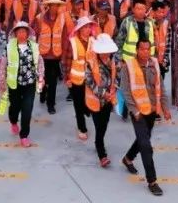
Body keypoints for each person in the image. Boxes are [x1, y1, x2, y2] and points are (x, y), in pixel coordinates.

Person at [120, 38, 172, 197]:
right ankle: (152, 181)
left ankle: (128, 158)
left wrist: (165, 107)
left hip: (152, 110)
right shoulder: (128, 66)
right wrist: (134, 111)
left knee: (143, 139)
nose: (145, 52)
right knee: (146, 146)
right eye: (142, 49)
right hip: (137, 112)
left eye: (148, 49)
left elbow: (160, 87)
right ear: (137, 50)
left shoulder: (154, 63)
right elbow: (126, 91)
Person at [0, 21, 45, 147]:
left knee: (27, 110)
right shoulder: (9, 47)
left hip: (30, 83)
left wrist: (41, 76)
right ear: (15, 33)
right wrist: (2, 81)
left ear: (27, 33)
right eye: (19, 32)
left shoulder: (34, 46)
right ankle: (13, 121)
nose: (21, 34)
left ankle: (24, 135)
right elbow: (3, 65)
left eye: (24, 31)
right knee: (15, 107)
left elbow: (40, 63)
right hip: (14, 84)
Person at [85, 33, 120, 168]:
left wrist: (114, 89)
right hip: (95, 100)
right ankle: (102, 154)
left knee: (104, 124)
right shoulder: (91, 62)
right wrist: (104, 93)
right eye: (104, 52)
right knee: (99, 126)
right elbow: (89, 81)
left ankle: (98, 142)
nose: (106, 54)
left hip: (108, 101)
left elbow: (117, 77)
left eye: (108, 52)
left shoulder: (113, 61)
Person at [65, 15, 98, 138]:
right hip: (76, 79)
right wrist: (67, 78)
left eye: (89, 27)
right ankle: (82, 128)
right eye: (85, 27)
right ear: (79, 29)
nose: (87, 29)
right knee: (78, 104)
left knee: (88, 101)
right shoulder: (72, 42)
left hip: (90, 79)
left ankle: (86, 109)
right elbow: (67, 61)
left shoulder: (93, 41)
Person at [36, 0, 68, 114]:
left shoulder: (62, 19)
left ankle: (51, 104)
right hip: (43, 54)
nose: (54, 7)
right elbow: (35, 35)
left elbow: (64, 38)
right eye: (52, 5)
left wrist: (63, 55)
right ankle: (43, 92)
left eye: (56, 5)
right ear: (48, 6)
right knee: (43, 77)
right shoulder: (39, 18)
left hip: (55, 54)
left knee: (53, 80)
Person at [150, 0, 172, 80]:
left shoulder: (167, 24)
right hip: (151, 59)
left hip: (162, 59)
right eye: (158, 12)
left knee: (161, 80)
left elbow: (168, 44)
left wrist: (165, 59)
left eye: (162, 12)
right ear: (153, 12)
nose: (161, 14)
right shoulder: (149, 23)